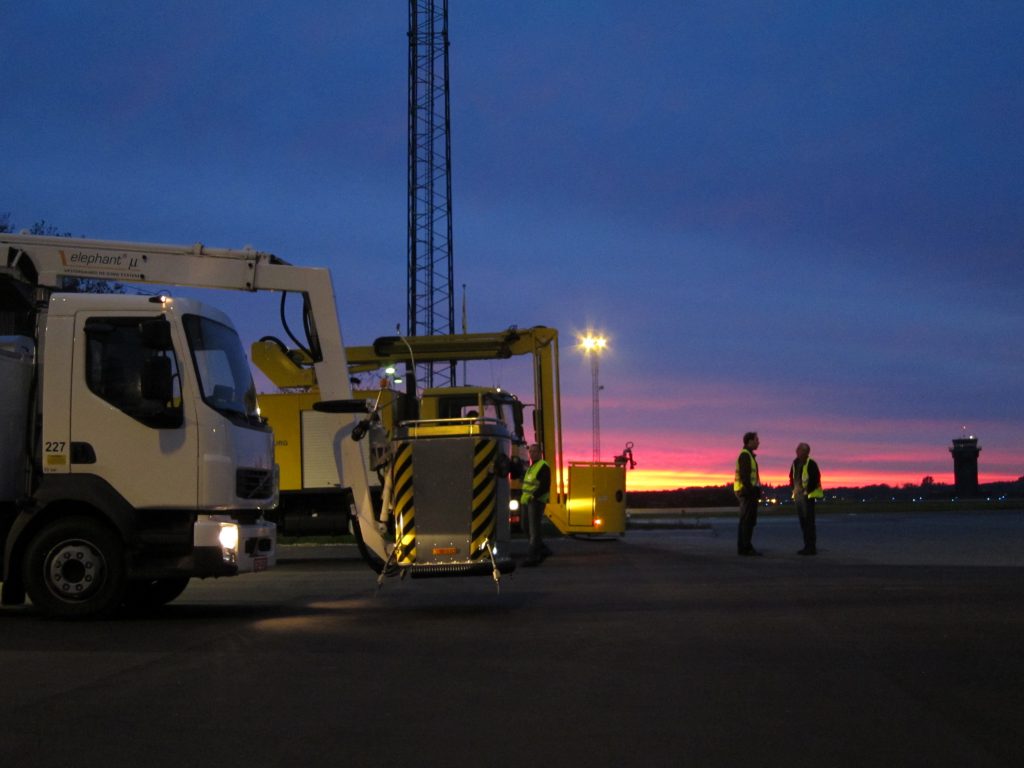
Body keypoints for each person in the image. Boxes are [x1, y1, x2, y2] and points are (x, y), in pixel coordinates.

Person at [520, 443, 552, 566]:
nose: (532, 453)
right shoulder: (531, 467)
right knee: (525, 527)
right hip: (526, 501)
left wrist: (534, 496)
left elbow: (544, 485)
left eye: (534, 451)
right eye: (531, 451)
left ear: (540, 453)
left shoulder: (543, 466)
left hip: (536, 502)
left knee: (534, 530)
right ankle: (542, 549)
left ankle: (533, 557)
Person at [789, 442, 822, 555]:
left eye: (799, 450)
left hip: (808, 497)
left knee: (809, 522)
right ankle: (807, 546)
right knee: (803, 522)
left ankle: (811, 547)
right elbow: (791, 477)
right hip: (799, 497)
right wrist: (794, 489)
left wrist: (806, 491)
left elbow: (814, 479)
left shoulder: (811, 464)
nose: (796, 451)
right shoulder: (795, 463)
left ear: (805, 452)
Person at [734, 432, 762, 556]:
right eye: (756, 440)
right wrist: (752, 491)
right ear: (749, 441)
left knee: (746, 520)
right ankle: (746, 547)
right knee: (747, 521)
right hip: (747, 493)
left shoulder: (748, 455)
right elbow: (745, 477)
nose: (758, 442)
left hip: (746, 492)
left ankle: (744, 546)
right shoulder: (745, 456)